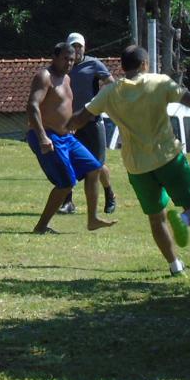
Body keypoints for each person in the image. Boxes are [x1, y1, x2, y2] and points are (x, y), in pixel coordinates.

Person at [66, 44, 190, 275]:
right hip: (168, 158)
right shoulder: (160, 82)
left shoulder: (109, 92)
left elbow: (80, 118)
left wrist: (57, 125)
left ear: (123, 67)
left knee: (156, 218)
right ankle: (185, 219)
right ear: (144, 64)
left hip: (137, 167)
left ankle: (175, 266)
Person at [27, 41, 116, 235]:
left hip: (66, 136)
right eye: (65, 59)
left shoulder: (66, 78)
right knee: (66, 183)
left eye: (72, 60)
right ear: (55, 57)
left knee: (94, 168)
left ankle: (92, 220)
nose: (69, 63)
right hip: (47, 135)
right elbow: (32, 106)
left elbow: (63, 107)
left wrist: (70, 125)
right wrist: (42, 137)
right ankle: (41, 227)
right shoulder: (44, 77)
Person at [58, 32, 117, 215]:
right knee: (67, 161)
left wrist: (98, 102)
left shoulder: (94, 64)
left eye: (79, 46)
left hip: (92, 121)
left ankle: (110, 194)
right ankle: (68, 202)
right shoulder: (63, 67)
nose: (76, 50)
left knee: (97, 164)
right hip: (71, 123)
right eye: (73, 46)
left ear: (84, 48)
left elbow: (111, 83)